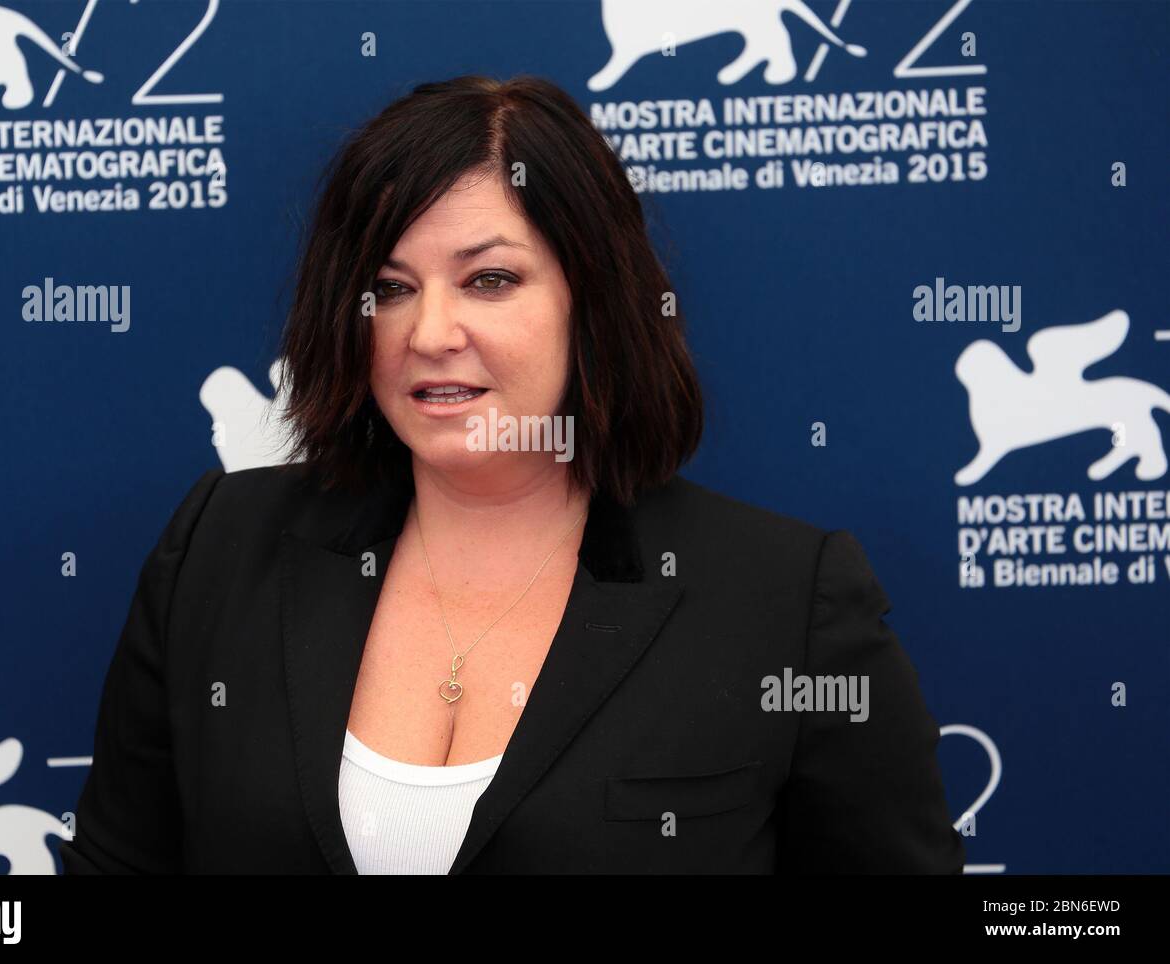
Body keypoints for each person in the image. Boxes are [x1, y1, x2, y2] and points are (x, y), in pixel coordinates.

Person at [60, 74, 965, 874]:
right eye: (391, 287)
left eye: (489, 280)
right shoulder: (218, 548)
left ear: (595, 299)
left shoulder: (783, 600)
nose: (429, 333)